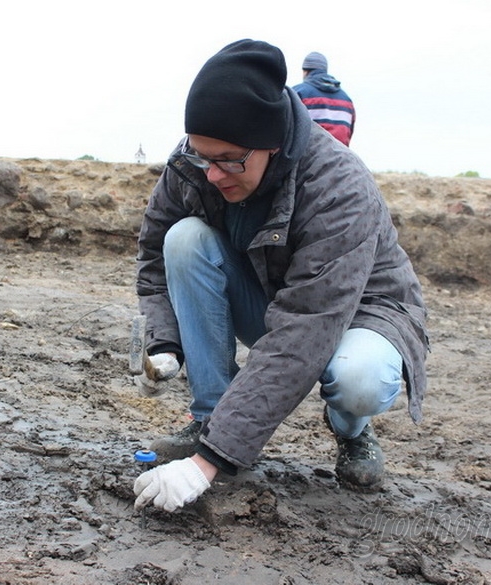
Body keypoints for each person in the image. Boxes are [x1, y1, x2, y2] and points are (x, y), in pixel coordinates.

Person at [133, 39, 428, 513]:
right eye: (203, 157)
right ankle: (210, 417)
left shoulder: (338, 186)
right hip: (271, 296)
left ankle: (350, 430)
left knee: (359, 378)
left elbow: (304, 327)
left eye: (228, 160)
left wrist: (207, 465)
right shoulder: (195, 161)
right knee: (184, 239)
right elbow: (153, 254)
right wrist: (164, 342)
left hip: (360, 312)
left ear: (270, 144)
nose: (212, 174)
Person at [293, 51, 356, 146]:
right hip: (341, 158)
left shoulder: (297, 93)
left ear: (305, 71)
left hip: (309, 157)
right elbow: (349, 133)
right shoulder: (347, 100)